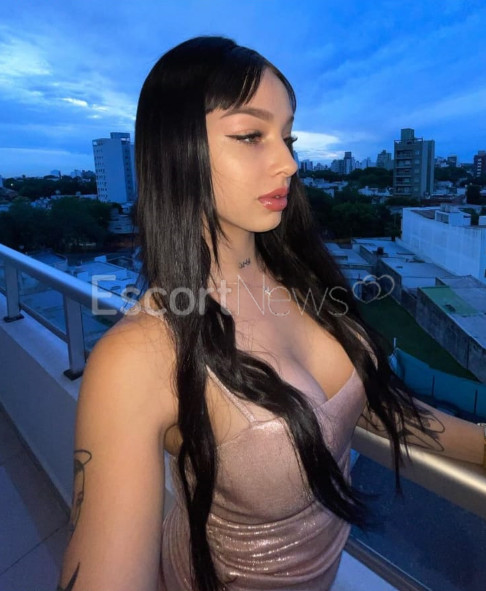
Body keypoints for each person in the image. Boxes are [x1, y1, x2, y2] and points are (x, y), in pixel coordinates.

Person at [56, 36, 485, 591]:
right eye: (250, 135)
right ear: (176, 152)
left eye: (287, 137)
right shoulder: (139, 355)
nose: (289, 163)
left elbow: (363, 404)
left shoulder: (303, 276)